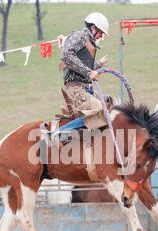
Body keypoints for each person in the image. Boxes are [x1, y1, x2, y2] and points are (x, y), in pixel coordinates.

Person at [52, 12, 109, 142]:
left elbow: (83, 66)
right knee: (98, 110)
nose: (101, 36)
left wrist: (99, 64)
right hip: (76, 87)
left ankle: (78, 140)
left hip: (85, 88)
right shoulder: (79, 36)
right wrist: (89, 73)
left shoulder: (89, 43)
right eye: (100, 32)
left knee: (102, 115)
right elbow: (66, 55)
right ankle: (59, 133)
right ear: (93, 28)